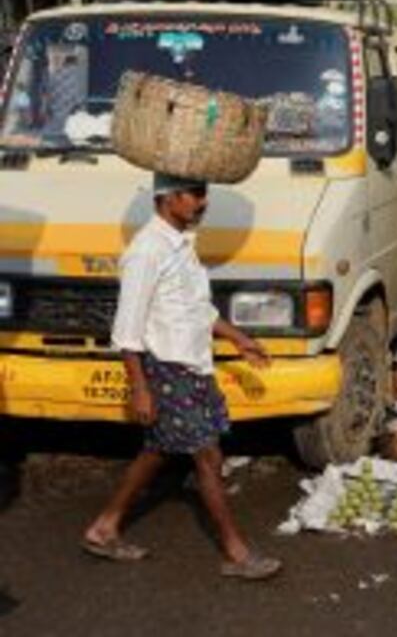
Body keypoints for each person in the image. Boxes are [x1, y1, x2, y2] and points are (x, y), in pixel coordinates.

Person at [81, 173, 281, 581]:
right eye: (195, 195)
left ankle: (103, 528)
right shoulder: (147, 251)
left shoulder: (182, 246)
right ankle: (237, 553)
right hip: (167, 368)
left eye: (204, 193)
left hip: (194, 366)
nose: (203, 203)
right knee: (206, 456)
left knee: (159, 450)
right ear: (167, 198)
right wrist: (140, 389)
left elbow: (198, 310)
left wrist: (241, 340)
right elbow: (127, 329)